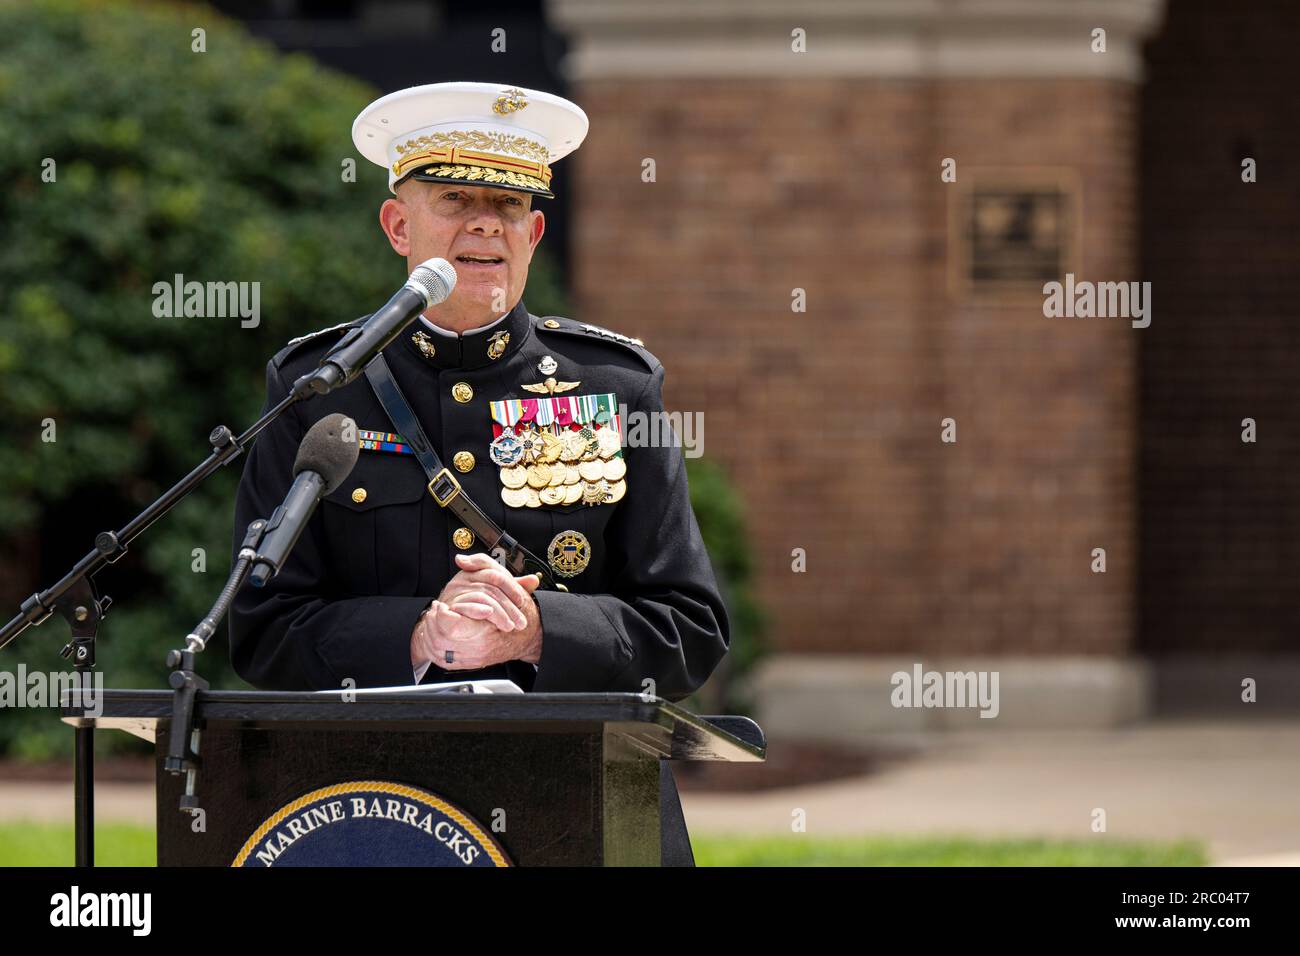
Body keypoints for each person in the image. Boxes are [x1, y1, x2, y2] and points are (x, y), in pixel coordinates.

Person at [227, 82, 730, 865]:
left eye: (506, 202)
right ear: (399, 224)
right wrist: (419, 635)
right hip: (375, 804)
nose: (484, 221)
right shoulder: (320, 387)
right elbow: (261, 630)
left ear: (532, 232)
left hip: (581, 795)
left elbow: (691, 629)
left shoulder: (617, 387)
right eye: (455, 197)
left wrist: (539, 633)